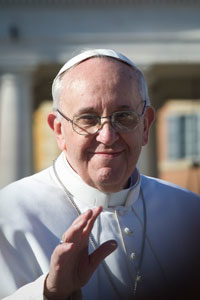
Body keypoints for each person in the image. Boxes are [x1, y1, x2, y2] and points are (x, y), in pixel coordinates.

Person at [0, 49, 200, 300]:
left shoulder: (191, 213)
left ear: (146, 126)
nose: (107, 136)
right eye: (88, 119)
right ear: (59, 130)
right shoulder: (8, 214)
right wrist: (49, 292)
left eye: (124, 117)